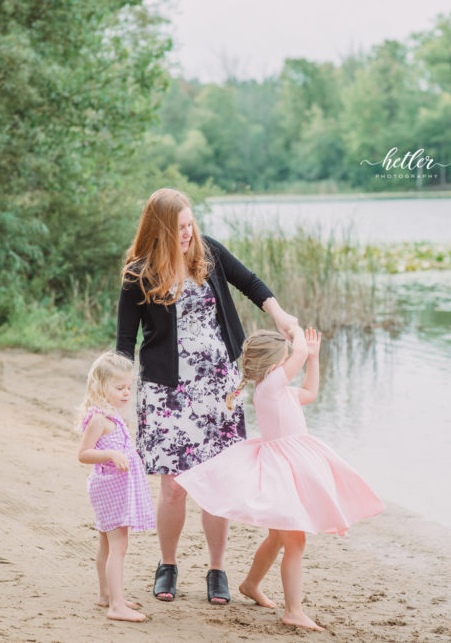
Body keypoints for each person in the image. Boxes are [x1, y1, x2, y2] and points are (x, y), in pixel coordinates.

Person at [116, 187, 298, 605]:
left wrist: (280, 314)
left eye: (190, 224)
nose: (187, 233)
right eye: (179, 228)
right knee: (174, 488)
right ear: (159, 229)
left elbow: (250, 282)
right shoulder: (138, 273)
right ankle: (168, 564)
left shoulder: (208, 252)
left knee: (218, 483)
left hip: (218, 389)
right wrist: (118, 390)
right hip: (167, 393)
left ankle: (217, 569)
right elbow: (126, 340)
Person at [175, 327, 383, 630]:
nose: (290, 365)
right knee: (295, 540)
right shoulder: (269, 388)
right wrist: (295, 329)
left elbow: (310, 393)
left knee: (278, 537)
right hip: (282, 470)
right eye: (285, 361)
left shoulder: (280, 391)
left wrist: (313, 357)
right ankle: (293, 611)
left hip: (292, 466)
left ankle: (250, 584)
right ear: (274, 367)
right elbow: (295, 354)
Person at [76, 352, 155, 623]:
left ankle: (106, 595)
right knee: (118, 545)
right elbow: (84, 453)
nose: (125, 393)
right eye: (119, 388)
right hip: (109, 488)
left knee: (107, 544)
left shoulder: (112, 415)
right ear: (101, 387)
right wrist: (111, 455)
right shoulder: (99, 419)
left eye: (128, 388)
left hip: (114, 487)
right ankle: (117, 606)